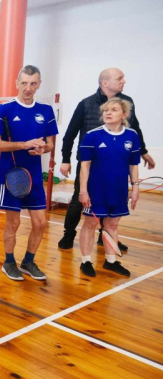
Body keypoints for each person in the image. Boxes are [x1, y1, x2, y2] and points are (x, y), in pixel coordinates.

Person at [58, 68, 154, 250]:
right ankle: (68, 235)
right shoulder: (86, 104)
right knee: (80, 199)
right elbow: (70, 134)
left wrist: (143, 151)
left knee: (110, 200)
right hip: (89, 164)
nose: (124, 81)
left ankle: (106, 236)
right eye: (119, 78)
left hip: (115, 164)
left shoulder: (127, 102)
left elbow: (135, 128)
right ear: (105, 83)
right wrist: (65, 159)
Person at [0, 65, 58, 282]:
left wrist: (42, 149)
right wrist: (23, 144)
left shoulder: (46, 111)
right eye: (24, 83)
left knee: (40, 223)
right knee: (13, 223)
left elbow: (50, 144)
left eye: (33, 83)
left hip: (34, 176)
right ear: (17, 83)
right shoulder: (5, 109)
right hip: (10, 176)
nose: (28, 88)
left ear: (39, 85)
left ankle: (28, 261)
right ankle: (9, 262)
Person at [78, 98, 140, 277]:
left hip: (118, 190)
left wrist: (135, 187)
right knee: (90, 223)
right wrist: (83, 190)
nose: (108, 113)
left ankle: (111, 261)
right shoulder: (92, 135)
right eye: (106, 110)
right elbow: (85, 166)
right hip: (96, 190)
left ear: (124, 114)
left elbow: (133, 165)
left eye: (113, 110)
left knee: (112, 224)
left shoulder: (132, 136)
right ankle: (86, 261)